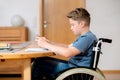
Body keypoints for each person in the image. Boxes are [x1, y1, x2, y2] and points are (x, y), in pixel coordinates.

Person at [32, 8, 97, 80]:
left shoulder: (87, 38)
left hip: (76, 72)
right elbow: (68, 46)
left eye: (73, 25)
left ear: (81, 24)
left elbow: (67, 53)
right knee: (41, 60)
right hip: (73, 67)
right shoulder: (86, 37)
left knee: (39, 63)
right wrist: (49, 42)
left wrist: (45, 45)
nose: (71, 28)